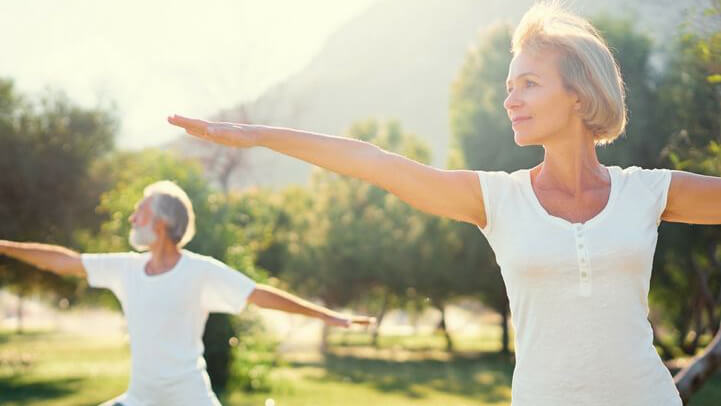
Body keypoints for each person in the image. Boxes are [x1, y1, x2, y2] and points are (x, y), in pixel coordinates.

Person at [166, 3, 721, 404]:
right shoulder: (497, 200)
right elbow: (374, 162)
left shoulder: (645, 192)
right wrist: (258, 135)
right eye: (508, 86)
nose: (510, 99)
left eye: (528, 83)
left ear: (577, 93)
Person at [0, 180, 373, 406]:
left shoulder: (199, 271)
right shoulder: (126, 268)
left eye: (139, 212)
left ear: (161, 224)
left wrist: (328, 316)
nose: (132, 219)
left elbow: (258, 294)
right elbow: (63, 261)